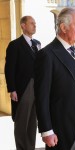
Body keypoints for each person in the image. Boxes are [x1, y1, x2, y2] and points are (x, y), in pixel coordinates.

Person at [34, 7, 75, 150]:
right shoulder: (47, 55)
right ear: (63, 27)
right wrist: (47, 130)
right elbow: (41, 96)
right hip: (64, 122)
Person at [4, 16, 41, 150]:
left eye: (35, 23)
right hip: (22, 89)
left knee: (32, 122)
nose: (34, 25)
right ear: (23, 26)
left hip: (36, 88)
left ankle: (30, 147)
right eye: (31, 23)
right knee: (21, 122)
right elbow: (9, 69)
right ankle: (21, 147)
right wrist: (12, 89)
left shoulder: (37, 43)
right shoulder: (14, 45)